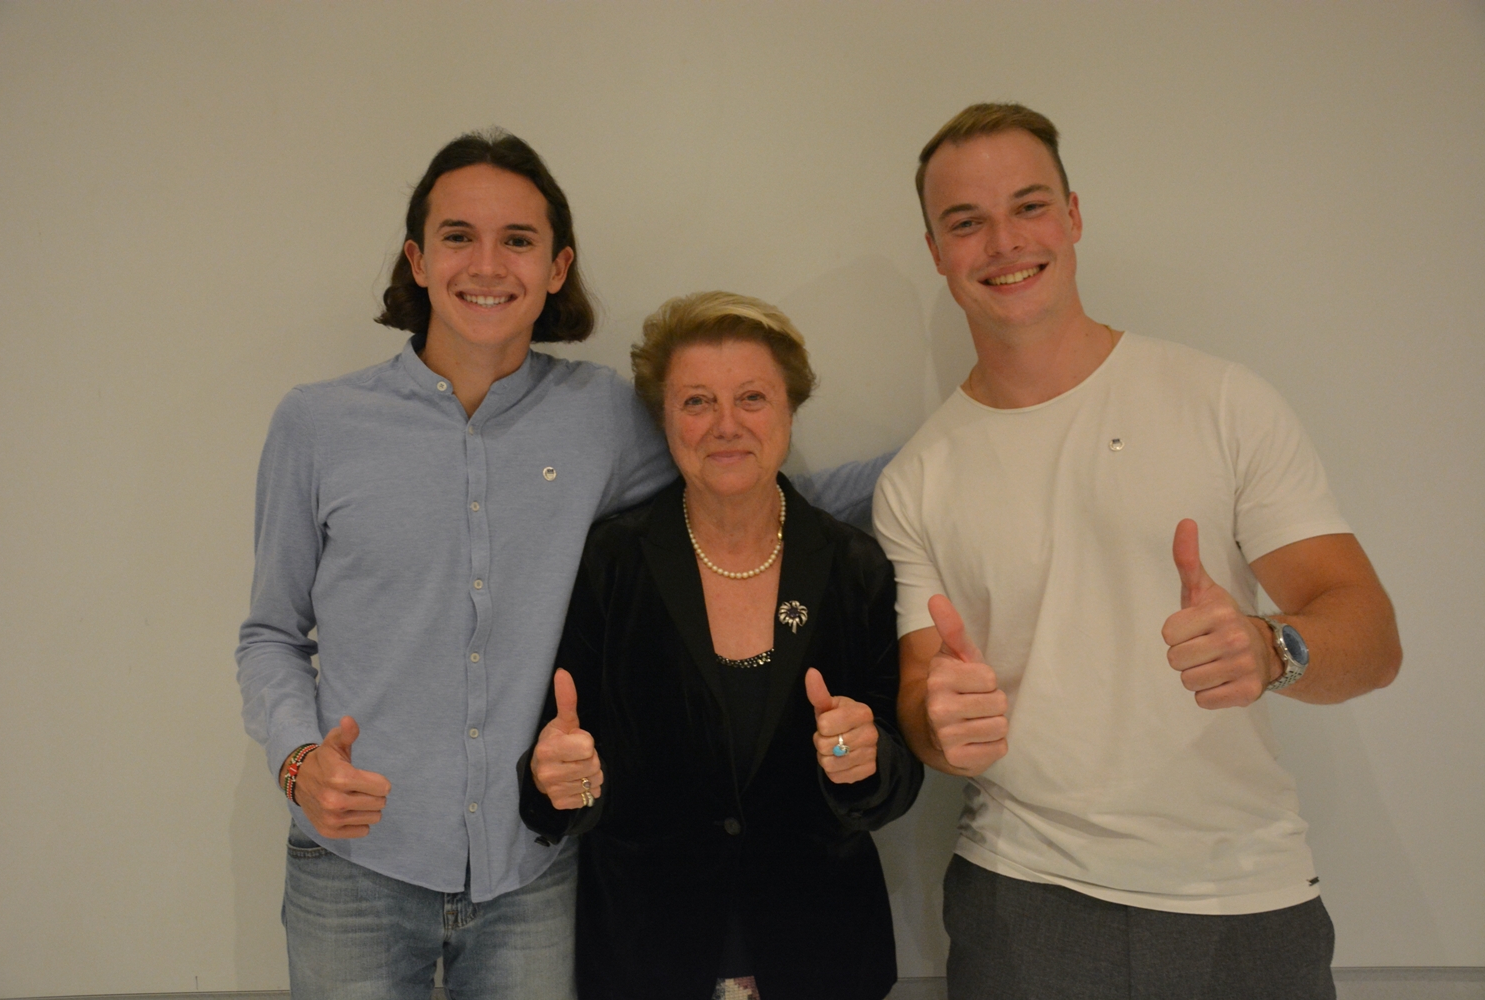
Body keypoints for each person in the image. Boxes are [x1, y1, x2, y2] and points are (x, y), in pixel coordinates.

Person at [236, 132, 881, 1000]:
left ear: (556, 267)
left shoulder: (600, 415)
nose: (487, 265)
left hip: (531, 877)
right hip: (354, 865)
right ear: (418, 261)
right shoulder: (318, 426)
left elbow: (743, 485)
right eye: (458, 237)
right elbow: (271, 634)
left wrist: (943, 464)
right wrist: (297, 759)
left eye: (518, 240)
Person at [872, 103, 1402, 999]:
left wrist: (1272, 647)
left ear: (1073, 216)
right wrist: (938, 727)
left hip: (1243, 895)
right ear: (936, 251)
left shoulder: (1220, 401)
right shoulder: (916, 479)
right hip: (1020, 899)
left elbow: (1372, 639)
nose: (1004, 242)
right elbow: (925, 703)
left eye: (1029, 206)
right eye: (966, 222)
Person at [520, 291, 923, 1000]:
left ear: (791, 410)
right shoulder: (611, 561)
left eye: (752, 398)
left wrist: (866, 761)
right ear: (664, 419)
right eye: (697, 402)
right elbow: (560, 779)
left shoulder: (852, 563)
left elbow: (898, 778)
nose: (726, 425)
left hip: (821, 950)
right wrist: (558, 784)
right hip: (647, 956)